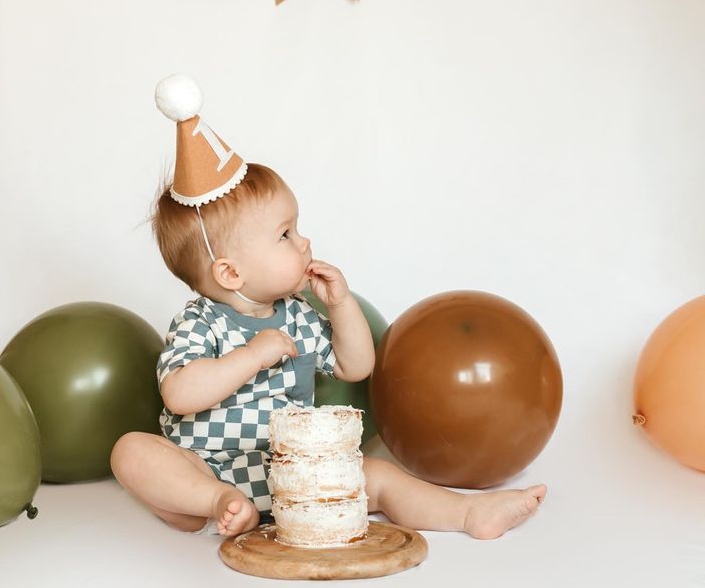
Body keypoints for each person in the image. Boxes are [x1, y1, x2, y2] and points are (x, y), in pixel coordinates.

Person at [110, 75, 547, 540]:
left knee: (375, 476)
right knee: (131, 451)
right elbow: (180, 394)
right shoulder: (201, 322)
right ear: (230, 274)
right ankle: (214, 504)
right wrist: (252, 356)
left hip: (292, 471)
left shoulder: (295, 314)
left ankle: (467, 515)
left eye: (298, 229)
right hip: (203, 468)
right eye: (286, 235)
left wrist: (340, 308)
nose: (305, 242)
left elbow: (355, 366)